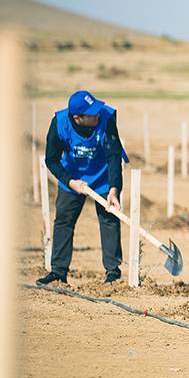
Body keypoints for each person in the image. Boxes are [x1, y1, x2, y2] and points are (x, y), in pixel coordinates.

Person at [37, 90, 128, 285]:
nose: (97, 114)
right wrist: (70, 182)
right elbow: (51, 159)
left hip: (103, 177)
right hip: (72, 178)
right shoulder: (59, 123)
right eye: (91, 113)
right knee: (63, 220)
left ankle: (113, 273)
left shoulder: (106, 117)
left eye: (96, 110)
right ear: (77, 118)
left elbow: (114, 155)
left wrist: (114, 189)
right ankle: (58, 272)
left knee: (109, 219)